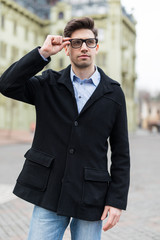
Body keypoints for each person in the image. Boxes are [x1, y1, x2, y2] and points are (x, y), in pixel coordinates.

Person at [0, 17, 130, 240]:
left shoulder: (114, 93)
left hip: (91, 196)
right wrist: (43, 52)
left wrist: (116, 201)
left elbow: (121, 153)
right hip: (50, 192)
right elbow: (7, 84)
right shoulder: (48, 84)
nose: (84, 48)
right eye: (77, 43)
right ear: (66, 49)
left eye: (89, 42)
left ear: (96, 47)